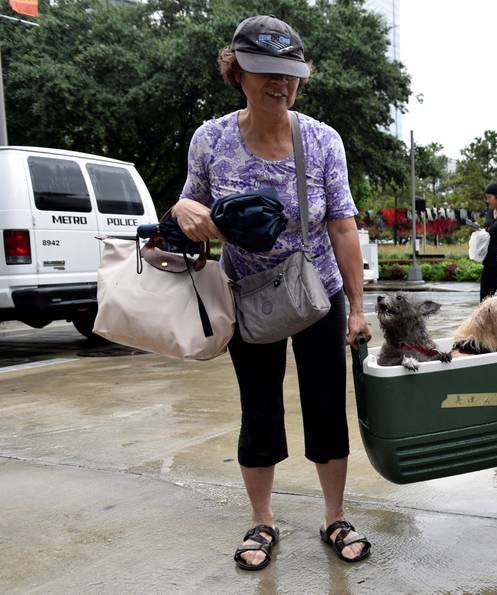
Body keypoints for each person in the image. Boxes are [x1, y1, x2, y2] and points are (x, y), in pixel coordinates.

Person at [171, 15, 372, 569]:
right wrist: (182, 208)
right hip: (249, 296)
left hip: (317, 295)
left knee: (326, 407)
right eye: (264, 72)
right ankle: (262, 522)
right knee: (258, 411)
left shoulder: (322, 140)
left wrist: (356, 308)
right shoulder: (210, 140)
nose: (279, 84)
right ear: (238, 72)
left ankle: (334, 515)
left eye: (289, 74)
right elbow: (188, 218)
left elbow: (342, 225)